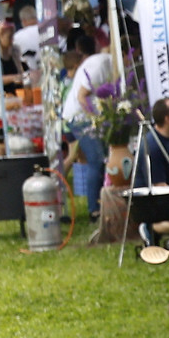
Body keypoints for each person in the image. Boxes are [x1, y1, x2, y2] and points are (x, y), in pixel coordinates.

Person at [61, 33, 114, 215]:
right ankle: (94, 210)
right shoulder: (101, 65)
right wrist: (96, 120)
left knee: (100, 158)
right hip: (79, 116)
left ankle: (104, 203)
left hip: (85, 115)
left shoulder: (107, 63)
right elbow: (82, 96)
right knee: (96, 159)